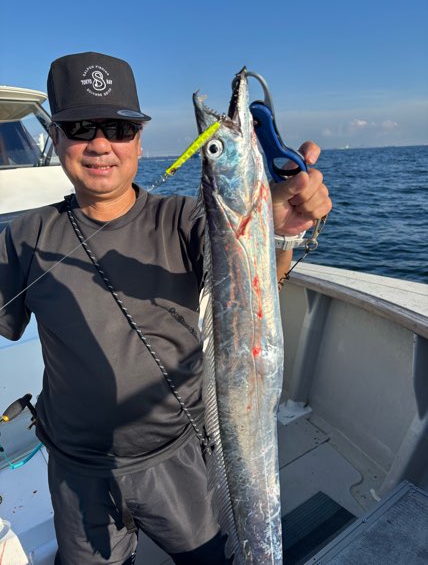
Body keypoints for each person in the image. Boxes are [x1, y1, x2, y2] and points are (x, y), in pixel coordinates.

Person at [0, 52, 332, 565]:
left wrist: (283, 232)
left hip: (180, 455)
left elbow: (255, 294)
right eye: (79, 128)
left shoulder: (187, 220)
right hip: (76, 470)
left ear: (139, 140)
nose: (100, 144)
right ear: (55, 138)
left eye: (118, 128)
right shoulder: (24, 236)